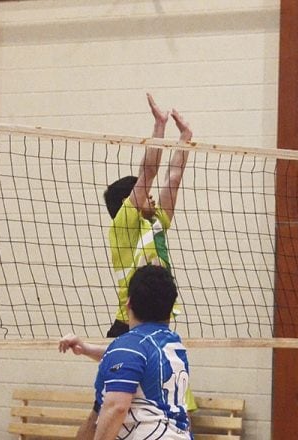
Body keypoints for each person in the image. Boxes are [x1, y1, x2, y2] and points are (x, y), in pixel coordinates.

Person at [60, 265, 191, 440]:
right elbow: (133, 358)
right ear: (170, 308)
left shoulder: (129, 346)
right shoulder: (172, 344)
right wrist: (86, 349)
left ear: (128, 303)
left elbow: (117, 408)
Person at [103, 92, 191, 338]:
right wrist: (159, 127)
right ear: (126, 202)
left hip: (157, 325)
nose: (150, 196)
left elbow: (173, 179)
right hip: (127, 327)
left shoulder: (155, 222)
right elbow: (149, 172)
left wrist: (185, 137)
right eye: (143, 193)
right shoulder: (123, 225)